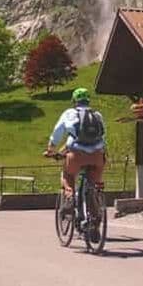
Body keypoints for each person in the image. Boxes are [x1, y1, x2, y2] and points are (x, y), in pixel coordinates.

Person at [44, 88, 106, 240]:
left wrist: (51, 149)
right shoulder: (97, 115)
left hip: (76, 155)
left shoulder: (69, 114)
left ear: (74, 101)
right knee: (93, 185)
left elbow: (58, 133)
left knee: (68, 176)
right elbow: (103, 136)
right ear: (88, 101)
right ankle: (95, 221)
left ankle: (70, 197)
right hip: (97, 156)